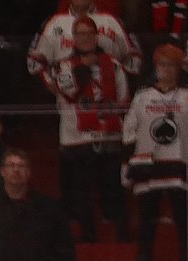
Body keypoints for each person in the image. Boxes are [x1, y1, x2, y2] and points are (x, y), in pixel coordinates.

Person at [52, 15, 131, 243]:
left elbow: (123, 97)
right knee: (81, 190)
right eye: (80, 34)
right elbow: (68, 92)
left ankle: (122, 233)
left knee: (113, 186)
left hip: (109, 135)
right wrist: (82, 70)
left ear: (97, 36)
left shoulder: (113, 65)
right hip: (78, 138)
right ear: (73, 38)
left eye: (90, 33)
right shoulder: (64, 65)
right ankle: (87, 233)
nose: (85, 38)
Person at [124, 44, 188, 261]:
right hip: (149, 167)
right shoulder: (143, 96)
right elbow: (129, 131)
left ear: (179, 68)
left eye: (171, 65)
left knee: (184, 220)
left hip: (179, 165)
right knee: (147, 219)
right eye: (162, 64)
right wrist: (130, 162)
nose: (166, 69)